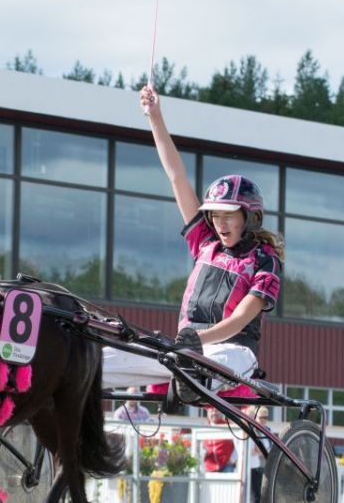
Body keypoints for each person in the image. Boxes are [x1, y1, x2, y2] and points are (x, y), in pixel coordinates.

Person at [102, 87, 284, 395]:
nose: (218, 222)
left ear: (249, 217)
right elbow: (177, 177)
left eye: (228, 215)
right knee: (101, 362)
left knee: (198, 365)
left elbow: (240, 320)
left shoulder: (265, 260)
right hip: (184, 352)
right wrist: (155, 117)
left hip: (234, 353)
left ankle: (192, 379)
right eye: (214, 215)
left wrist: (199, 341)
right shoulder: (205, 243)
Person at [246, 406, 271, 503]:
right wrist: (260, 451)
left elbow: (268, 447)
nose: (264, 420)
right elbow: (252, 450)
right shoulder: (252, 429)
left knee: (262, 494)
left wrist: (260, 451)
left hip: (263, 466)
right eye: (261, 417)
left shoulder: (267, 430)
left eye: (266, 418)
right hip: (253, 466)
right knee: (254, 495)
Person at [203, 407, 236, 473]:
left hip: (226, 465)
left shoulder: (228, 426)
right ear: (208, 413)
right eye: (212, 411)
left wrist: (233, 459)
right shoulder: (204, 429)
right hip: (210, 467)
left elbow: (237, 444)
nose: (214, 413)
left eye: (216, 411)